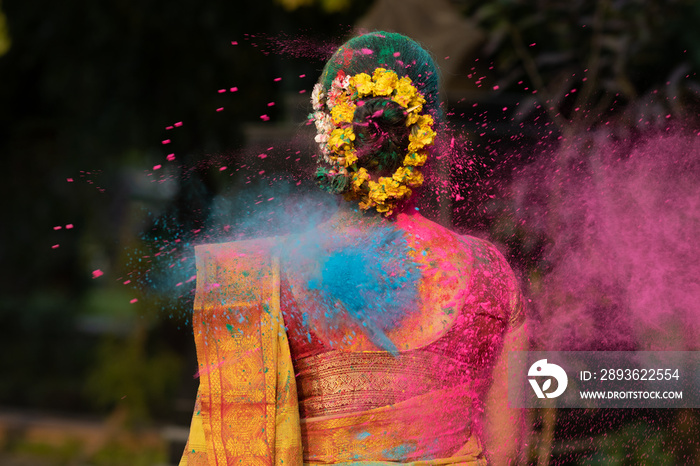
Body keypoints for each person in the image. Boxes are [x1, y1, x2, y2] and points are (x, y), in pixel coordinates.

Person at [179, 31, 527, 466]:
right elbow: (508, 452)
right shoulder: (490, 274)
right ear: (430, 137)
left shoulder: (256, 278)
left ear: (328, 140)